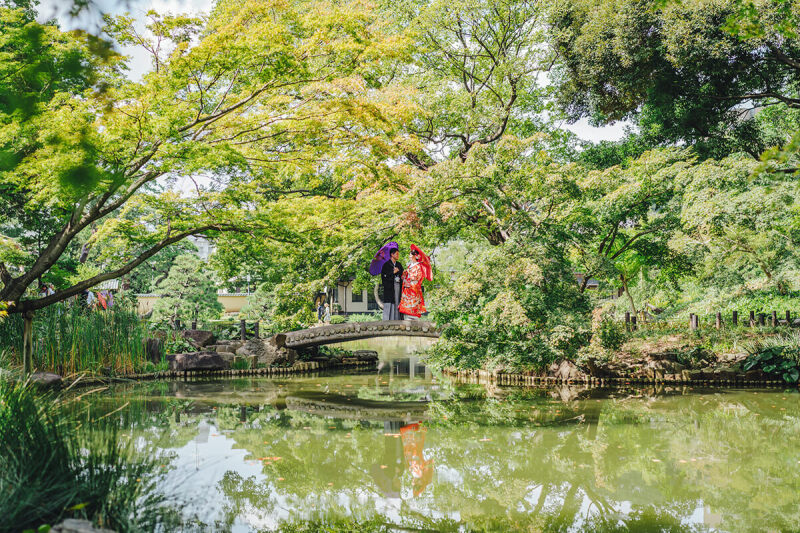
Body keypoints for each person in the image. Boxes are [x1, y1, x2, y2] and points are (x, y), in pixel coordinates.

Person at [398, 245, 432, 320]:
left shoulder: (418, 266)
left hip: (414, 285)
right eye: (409, 255)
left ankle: (414, 315)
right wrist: (404, 275)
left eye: (410, 255)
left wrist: (410, 278)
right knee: (407, 301)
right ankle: (408, 314)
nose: (409, 256)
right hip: (408, 286)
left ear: (415, 256)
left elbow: (418, 276)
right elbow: (405, 276)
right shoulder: (410, 265)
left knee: (414, 301)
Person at [380, 247, 403, 320]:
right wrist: (392, 273)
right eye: (396, 254)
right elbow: (384, 277)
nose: (398, 255)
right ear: (392, 254)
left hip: (398, 286)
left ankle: (397, 320)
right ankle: (387, 321)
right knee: (390, 303)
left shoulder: (399, 265)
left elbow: (402, 275)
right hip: (389, 288)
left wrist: (400, 273)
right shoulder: (386, 265)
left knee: (397, 302)